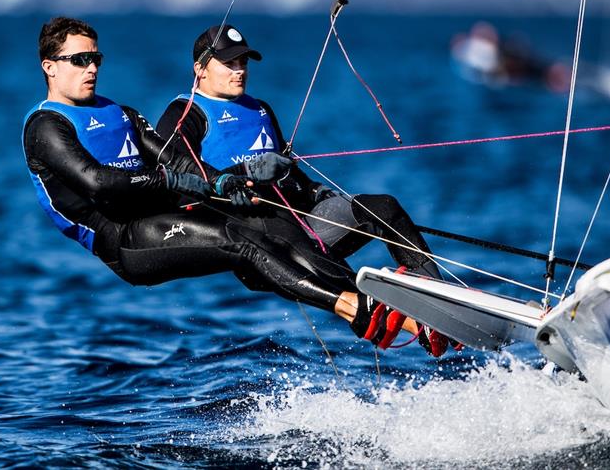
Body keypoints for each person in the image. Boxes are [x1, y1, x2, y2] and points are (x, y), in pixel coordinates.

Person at [22, 17, 432, 354]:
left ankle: (429, 301)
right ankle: (359, 310)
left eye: (96, 58)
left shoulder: (122, 112)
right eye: (79, 59)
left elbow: (175, 159)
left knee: (363, 211)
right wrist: (174, 179)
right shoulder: (46, 125)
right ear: (50, 66)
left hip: (164, 216)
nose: (91, 67)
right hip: (124, 238)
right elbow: (99, 184)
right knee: (245, 239)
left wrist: (223, 181)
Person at [156, 24, 451, 356]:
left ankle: (438, 300)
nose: (239, 71)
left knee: (383, 207)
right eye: (229, 63)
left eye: (243, 62)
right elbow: (174, 179)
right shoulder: (184, 114)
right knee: (322, 262)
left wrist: (314, 192)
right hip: (259, 237)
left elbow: (288, 168)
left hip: (300, 219)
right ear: (200, 68)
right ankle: (413, 324)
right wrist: (233, 180)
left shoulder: (260, 109)